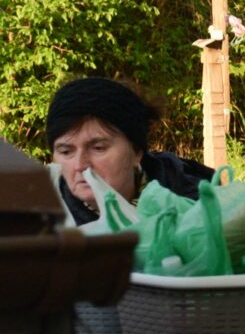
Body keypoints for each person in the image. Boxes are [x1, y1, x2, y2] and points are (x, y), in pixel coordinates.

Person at [46, 77, 213, 226]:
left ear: (137, 151)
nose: (80, 165)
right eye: (66, 152)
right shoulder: (41, 222)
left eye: (98, 148)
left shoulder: (200, 203)